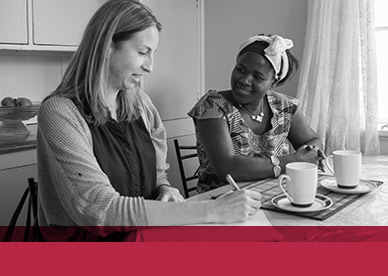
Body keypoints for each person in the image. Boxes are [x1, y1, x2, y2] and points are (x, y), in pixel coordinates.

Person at [37, 0, 261, 241]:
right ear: (106, 45)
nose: (150, 66)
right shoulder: (60, 112)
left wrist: (165, 188)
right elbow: (98, 210)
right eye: (143, 52)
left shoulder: (142, 105)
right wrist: (212, 210)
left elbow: (158, 175)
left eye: (153, 54)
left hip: (142, 239)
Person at [188, 34, 324, 193]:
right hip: (221, 204)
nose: (244, 80)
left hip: (275, 196)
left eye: (257, 77)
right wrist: (292, 161)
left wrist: (310, 153)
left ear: (273, 82)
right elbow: (228, 168)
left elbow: (312, 140)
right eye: (240, 69)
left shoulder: (284, 106)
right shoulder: (212, 106)